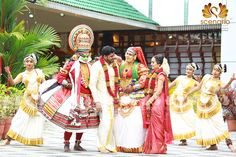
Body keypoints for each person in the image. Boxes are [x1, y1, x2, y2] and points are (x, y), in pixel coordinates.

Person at [39, 24, 96, 152]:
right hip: (73, 96)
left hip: (87, 96)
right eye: (82, 53)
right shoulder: (71, 63)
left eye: (87, 52)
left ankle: (77, 143)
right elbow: (60, 77)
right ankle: (66, 144)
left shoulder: (91, 65)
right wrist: (67, 84)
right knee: (71, 121)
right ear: (77, 52)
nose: (85, 55)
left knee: (83, 121)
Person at [184, 64, 236, 152]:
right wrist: (187, 94)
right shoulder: (206, 76)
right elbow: (199, 87)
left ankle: (229, 144)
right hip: (202, 104)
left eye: (217, 70)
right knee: (206, 125)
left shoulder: (219, 82)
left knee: (219, 124)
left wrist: (231, 80)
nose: (215, 71)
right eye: (214, 69)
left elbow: (224, 87)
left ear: (220, 73)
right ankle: (213, 144)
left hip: (213, 105)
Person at [2, 53, 45, 145]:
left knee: (37, 120)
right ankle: (8, 139)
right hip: (27, 100)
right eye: (27, 61)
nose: (29, 63)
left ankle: (33, 140)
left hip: (38, 100)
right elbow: (13, 83)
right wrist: (9, 73)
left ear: (34, 63)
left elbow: (44, 85)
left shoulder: (39, 72)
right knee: (19, 118)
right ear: (24, 63)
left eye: (31, 61)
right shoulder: (22, 74)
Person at [114, 47, 148, 153]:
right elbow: (117, 78)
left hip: (134, 96)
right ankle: (121, 144)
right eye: (126, 53)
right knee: (120, 122)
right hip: (122, 95)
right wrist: (119, 87)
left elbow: (143, 81)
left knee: (134, 123)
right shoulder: (122, 65)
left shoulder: (140, 66)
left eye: (130, 54)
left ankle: (135, 145)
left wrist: (133, 88)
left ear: (135, 56)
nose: (128, 56)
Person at [140, 54, 173, 154]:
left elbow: (158, 91)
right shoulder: (154, 73)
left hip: (158, 101)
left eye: (153, 62)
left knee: (157, 125)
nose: (151, 64)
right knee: (154, 125)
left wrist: (150, 101)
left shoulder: (161, 75)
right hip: (156, 100)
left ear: (159, 64)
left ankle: (158, 148)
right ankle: (155, 147)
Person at [89, 45, 119, 153]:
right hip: (101, 99)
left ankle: (110, 145)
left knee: (111, 122)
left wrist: (117, 97)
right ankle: (101, 145)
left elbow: (116, 83)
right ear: (104, 56)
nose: (113, 57)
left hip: (112, 99)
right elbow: (92, 85)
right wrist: (96, 101)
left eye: (114, 55)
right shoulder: (97, 66)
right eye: (111, 56)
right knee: (105, 122)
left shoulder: (114, 66)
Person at [169, 63, 199, 146]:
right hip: (175, 101)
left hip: (185, 102)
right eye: (187, 69)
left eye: (190, 69)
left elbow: (201, 87)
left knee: (190, 118)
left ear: (193, 71)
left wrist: (188, 93)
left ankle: (201, 135)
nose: (188, 71)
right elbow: (170, 86)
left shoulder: (194, 82)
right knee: (177, 120)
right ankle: (183, 139)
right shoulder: (180, 78)